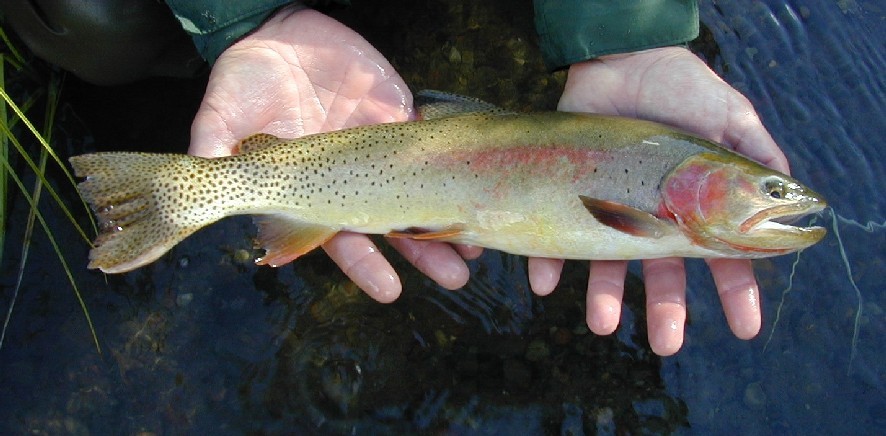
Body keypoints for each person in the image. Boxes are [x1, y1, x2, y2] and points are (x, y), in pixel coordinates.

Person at [2, 1, 790, 356]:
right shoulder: (655, 197)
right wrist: (242, 18)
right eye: (773, 192)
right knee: (94, 21)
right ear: (708, 181)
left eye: (773, 195)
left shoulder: (661, 183)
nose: (781, 203)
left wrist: (623, 29)